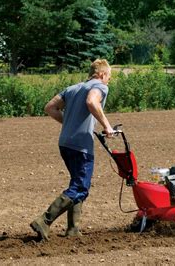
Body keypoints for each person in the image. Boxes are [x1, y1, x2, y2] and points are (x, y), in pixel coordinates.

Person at [30, 59, 114, 241]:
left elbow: (50, 108)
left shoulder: (73, 88)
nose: (108, 81)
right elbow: (92, 102)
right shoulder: (100, 86)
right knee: (81, 187)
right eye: (108, 77)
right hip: (80, 145)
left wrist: (69, 123)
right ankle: (44, 220)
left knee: (77, 183)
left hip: (65, 143)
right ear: (101, 74)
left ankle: (73, 229)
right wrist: (107, 126)